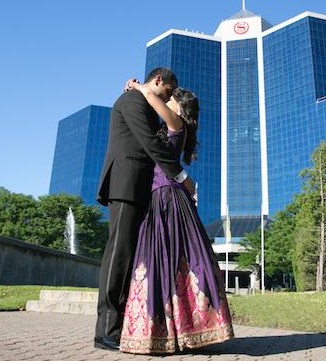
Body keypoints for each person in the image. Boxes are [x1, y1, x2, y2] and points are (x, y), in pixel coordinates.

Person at [118, 79, 234, 354]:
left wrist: (138, 86)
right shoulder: (170, 126)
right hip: (160, 198)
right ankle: (166, 334)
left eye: (170, 98)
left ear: (178, 106)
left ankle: (185, 331)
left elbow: (150, 97)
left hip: (168, 199)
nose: (166, 99)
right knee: (161, 262)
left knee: (176, 261)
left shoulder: (176, 124)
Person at [94, 67, 196, 352]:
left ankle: (120, 326)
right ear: (159, 80)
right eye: (166, 92)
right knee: (119, 254)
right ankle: (105, 331)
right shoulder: (131, 102)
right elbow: (149, 142)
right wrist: (181, 175)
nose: (166, 98)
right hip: (125, 185)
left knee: (128, 259)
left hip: (142, 190)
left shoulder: (144, 102)